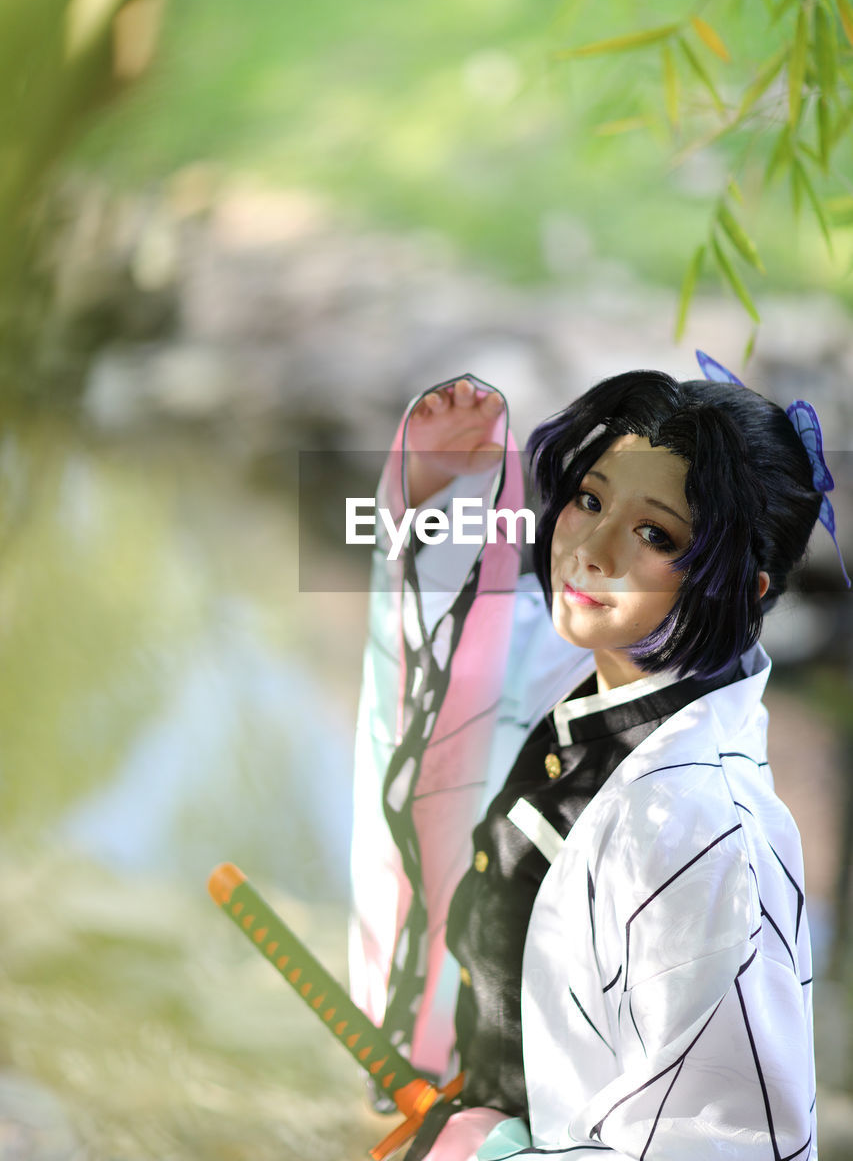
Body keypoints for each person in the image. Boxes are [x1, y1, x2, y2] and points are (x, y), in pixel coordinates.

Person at [349, 355, 846, 1161]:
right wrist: (442, 494)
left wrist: (498, 1149)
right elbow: (450, 683)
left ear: (740, 588)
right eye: (588, 499)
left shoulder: (703, 832)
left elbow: (728, 1144)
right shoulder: (589, 673)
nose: (590, 549)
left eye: (655, 533)